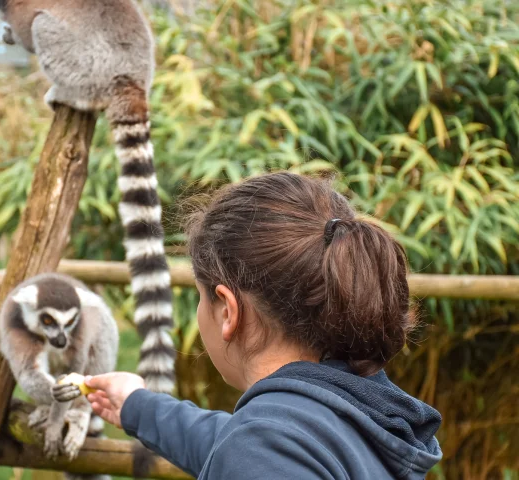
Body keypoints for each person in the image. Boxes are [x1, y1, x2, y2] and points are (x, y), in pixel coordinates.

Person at [84, 172, 442, 479]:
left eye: (200, 297)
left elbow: (253, 450)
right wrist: (135, 405)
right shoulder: (353, 415)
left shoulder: (264, 448)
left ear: (227, 310)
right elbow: (227, 441)